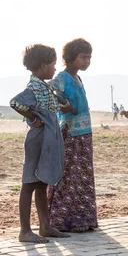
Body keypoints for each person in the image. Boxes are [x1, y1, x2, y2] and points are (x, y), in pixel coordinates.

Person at [10, 44, 70, 243]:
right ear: (43, 65)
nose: (55, 69)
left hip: (48, 140)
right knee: (29, 183)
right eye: (53, 65)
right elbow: (15, 103)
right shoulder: (34, 88)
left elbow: (51, 101)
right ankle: (25, 231)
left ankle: (45, 226)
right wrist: (33, 118)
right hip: (38, 140)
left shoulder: (43, 87)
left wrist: (62, 103)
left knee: (41, 183)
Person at [47, 38, 98, 233]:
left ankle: (81, 219)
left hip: (84, 135)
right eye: (83, 57)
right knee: (68, 175)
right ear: (70, 58)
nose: (87, 61)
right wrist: (64, 105)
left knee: (82, 176)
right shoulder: (62, 77)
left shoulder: (77, 78)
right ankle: (62, 219)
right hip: (70, 134)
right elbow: (48, 91)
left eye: (89, 57)